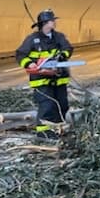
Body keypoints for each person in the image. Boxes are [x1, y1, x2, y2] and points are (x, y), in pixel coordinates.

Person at [15, 9, 74, 137]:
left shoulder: (59, 37)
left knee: (62, 105)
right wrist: (30, 64)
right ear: (45, 23)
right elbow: (20, 54)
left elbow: (68, 48)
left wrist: (62, 56)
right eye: (52, 20)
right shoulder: (32, 39)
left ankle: (57, 129)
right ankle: (44, 134)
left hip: (59, 79)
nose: (54, 22)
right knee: (47, 106)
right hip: (41, 80)